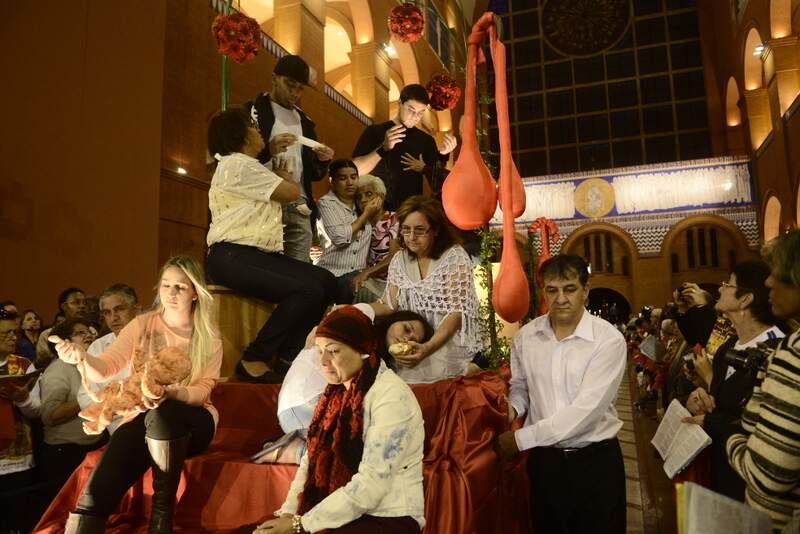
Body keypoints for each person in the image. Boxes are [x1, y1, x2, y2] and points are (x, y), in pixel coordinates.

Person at [51, 255, 223, 533]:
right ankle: (84, 522)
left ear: (195, 292)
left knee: (164, 412)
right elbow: (105, 368)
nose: (171, 293)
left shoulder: (208, 336)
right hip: (145, 417)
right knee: (104, 478)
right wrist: (80, 357)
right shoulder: (142, 324)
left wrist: (169, 393)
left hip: (194, 420)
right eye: (166, 285)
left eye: (180, 287)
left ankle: (161, 518)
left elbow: (202, 392)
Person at [252, 305, 425, 534]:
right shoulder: (334, 394)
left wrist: (300, 525)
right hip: (336, 512)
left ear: (362, 350)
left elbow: (372, 484)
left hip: (388, 516)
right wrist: (288, 514)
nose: (323, 361)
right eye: (319, 350)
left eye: (333, 351)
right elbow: (309, 462)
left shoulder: (391, 396)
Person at [497, 254, 627, 534]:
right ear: (543, 292)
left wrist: (520, 439)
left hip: (595, 463)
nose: (561, 299)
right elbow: (521, 387)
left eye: (570, 289)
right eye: (552, 290)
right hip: (546, 463)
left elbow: (586, 412)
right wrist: (511, 409)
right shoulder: (526, 338)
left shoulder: (607, 340)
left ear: (585, 291)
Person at [205, 107, 336, 383]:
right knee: (309, 289)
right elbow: (291, 193)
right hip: (231, 255)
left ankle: (289, 358)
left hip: (249, 255)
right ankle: (255, 357)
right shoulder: (238, 163)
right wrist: (285, 175)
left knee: (326, 282)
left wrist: (275, 165)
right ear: (241, 134)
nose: (259, 131)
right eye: (254, 127)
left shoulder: (245, 165)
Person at [259, 303, 433, 464]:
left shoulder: (379, 365)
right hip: (303, 401)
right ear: (394, 320)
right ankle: (291, 451)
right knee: (360, 461)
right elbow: (384, 307)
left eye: (413, 341)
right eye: (406, 328)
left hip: (314, 408)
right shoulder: (360, 320)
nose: (406, 339)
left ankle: (294, 443)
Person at [681, 261, 784, 501]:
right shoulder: (728, 346)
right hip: (722, 468)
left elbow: (764, 425)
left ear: (745, 299)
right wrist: (700, 399)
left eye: (728, 284)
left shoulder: (776, 352)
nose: (720, 289)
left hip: (753, 486)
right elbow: (721, 399)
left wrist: (711, 420)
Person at [726, 230, 800, 531]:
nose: (768, 282)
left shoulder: (792, 354)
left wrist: (731, 437)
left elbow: (766, 475)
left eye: (777, 272)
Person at [369, 196, 482, 384]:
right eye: (406, 230)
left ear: (436, 230)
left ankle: (468, 368)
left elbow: (456, 314)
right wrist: (356, 310)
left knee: (413, 378)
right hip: (413, 338)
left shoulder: (453, 256)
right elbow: (389, 305)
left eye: (420, 230)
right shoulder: (400, 260)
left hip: (446, 340)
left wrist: (428, 348)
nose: (411, 237)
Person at [247, 54, 335, 263]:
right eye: (290, 84)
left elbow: (312, 174)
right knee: (263, 264)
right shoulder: (254, 111)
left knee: (298, 268)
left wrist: (323, 160)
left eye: (300, 88)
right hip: (265, 198)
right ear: (274, 78)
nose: (294, 93)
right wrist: (269, 150)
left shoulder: (305, 121)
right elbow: (240, 158)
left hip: (299, 202)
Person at [351, 84, 457, 211]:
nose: (415, 117)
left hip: (409, 214)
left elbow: (437, 185)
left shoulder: (426, 141)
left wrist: (443, 154)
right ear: (399, 103)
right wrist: (383, 149)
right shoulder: (375, 131)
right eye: (411, 110)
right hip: (375, 212)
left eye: (420, 113)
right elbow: (355, 171)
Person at [39, 318, 105, 484]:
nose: (88, 336)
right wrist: (88, 397)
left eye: (89, 332)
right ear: (65, 342)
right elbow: (50, 416)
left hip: (94, 446)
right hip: (66, 452)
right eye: (80, 333)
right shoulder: (58, 370)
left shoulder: (91, 364)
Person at [76, 283, 141, 433]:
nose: (114, 318)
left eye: (119, 309)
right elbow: (85, 397)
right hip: (117, 427)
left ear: (137, 309)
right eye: (107, 313)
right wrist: (113, 408)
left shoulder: (156, 339)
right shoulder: (97, 347)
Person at [0, 309, 41, 533]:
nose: (12, 337)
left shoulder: (24, 365)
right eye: (5, 333)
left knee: (18, 520)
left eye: (14, 333)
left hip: (18, 456)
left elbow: (37, 411)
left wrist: (22, 398)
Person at [315, 159, 379, 303]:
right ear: (332, 181)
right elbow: (340, 238)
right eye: (343, 178)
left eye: (353, 177)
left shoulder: (362, 202)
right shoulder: (327, 203)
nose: (350, 183)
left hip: (359, 274)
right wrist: (365, 215)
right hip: (333, 274)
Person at [350, 174, 400, 303]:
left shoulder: (393, 219)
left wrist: (366, 273)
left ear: (380, 197)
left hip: (390, 281)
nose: (363, 200)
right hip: (366, 277)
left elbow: (394, 257)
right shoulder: (360, 223)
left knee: (361, 287)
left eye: (368, 194)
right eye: (359, 197)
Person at [36, 288, 88, 365]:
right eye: (76, 302)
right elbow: (44, 362)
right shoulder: (48, 335)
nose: (82, 306)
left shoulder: (92, 331)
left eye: (84, 302)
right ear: (64, 306)